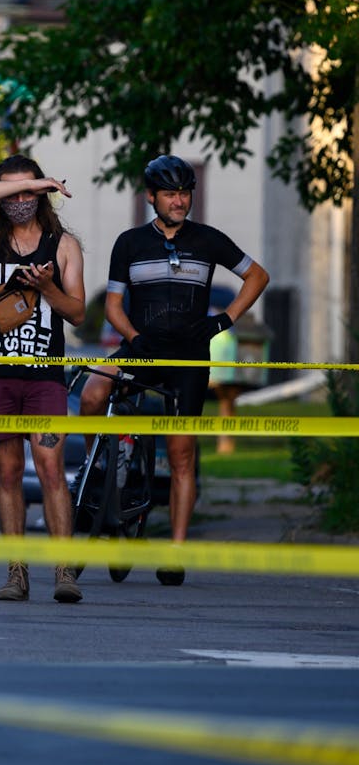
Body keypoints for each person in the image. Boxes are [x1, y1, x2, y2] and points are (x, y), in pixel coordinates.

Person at [84, 154, 269, 585]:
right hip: (142, 347)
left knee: (182, 454)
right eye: (170, 194)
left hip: (188, 357)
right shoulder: (129, 243)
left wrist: (225, 320)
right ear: (151, 197)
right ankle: (102, 468)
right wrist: (133, 337)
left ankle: (176, 550)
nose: (179, 201)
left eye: (185, 192)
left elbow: (258, 276)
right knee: (93, 394)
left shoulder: (208, 240)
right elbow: (112, 307)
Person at [0, 154, 86, 603]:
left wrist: (48, 289)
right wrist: (34, 181)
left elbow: (78, 312)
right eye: (9, 192)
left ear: (44, 196)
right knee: (8, 471)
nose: (19, 200)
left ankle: (65, 572)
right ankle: (16, 573)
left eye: (27, 191)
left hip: (45, 375)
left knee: (51, 468)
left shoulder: (63, 244)